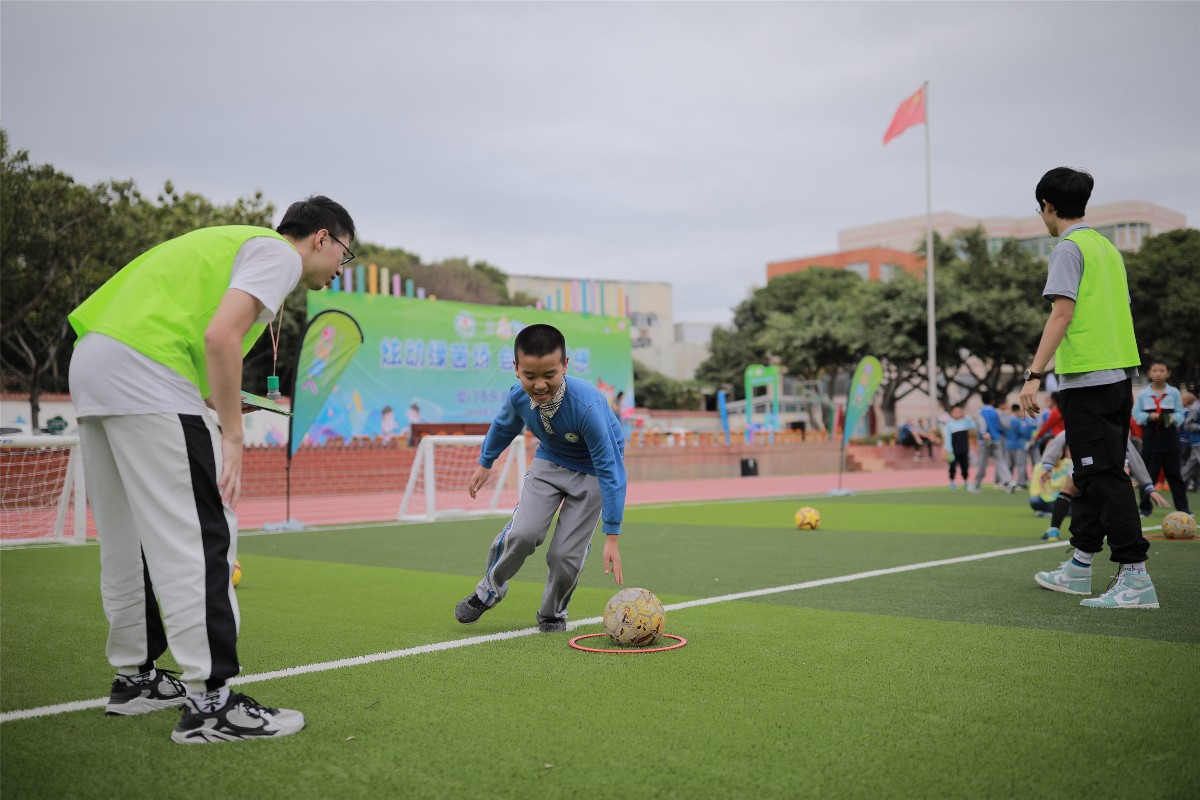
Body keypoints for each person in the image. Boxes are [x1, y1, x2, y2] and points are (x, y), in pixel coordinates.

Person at [68, 196, 357, 742]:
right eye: (345, 254)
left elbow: (199, 352)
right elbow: (221, 336)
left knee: (126, 541)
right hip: (146, 372)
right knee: (201, 535)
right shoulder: (278, 256)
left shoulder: (232, 245)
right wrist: (232, 435)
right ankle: (211, 705)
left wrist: (222, 400)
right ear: (321, 238)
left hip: (94, 365)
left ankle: (136, 680)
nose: (340, 270)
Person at [1019, 167, 1158, 609]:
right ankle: (1080, 565)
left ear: (1048, 206)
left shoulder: (1068, 248)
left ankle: (1135, 577)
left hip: (1090, 379)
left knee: (1101, 474)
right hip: (1118, 378)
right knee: (1090, 471)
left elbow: (1062, 314)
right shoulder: (1105, 248)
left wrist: (1034, 374)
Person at [455, 324, 627, 632]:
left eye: (549, 374)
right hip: (550, 462)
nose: (540, 385)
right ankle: (488, 591)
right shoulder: (518, 397)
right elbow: (504, 425)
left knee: (565, 555)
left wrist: (612, 535)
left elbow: (610, 469)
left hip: (592, 472)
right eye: (530, 376)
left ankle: (552, 613)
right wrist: (486, 462)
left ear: (565, 365)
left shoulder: (586, 406)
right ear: (516, 369)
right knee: (522, 533)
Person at [1133, 361, 1191, 516]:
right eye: (1155, 370)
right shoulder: (1144, 394)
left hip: (1171, 439)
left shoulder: (1174, 393)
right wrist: (1148, 416)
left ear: (1168, 373)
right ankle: (1145, 509)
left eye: (1161, 370)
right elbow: (1136, 415)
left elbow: (1180, 413)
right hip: (1151, 439)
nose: (1158, 373)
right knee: (1147, 475)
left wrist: (1173, 418)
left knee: (1175, 476)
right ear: (1150, 373)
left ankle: (1183, 509)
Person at [973, 391, 1015, 492]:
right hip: (996, 440)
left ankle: (977, 485)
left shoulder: (980, 412)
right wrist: (1008, 416)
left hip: (984, 441)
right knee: (1001, 462)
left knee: (982, 463)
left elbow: (981, 423)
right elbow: (1006, 425)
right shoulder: (997, 412)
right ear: (992, 401)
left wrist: (984, 433)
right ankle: (1009, 482)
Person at [941, 406, 976, 490]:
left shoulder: (965, 422)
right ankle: (952, 482)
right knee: (952, 467)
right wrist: (949, 450)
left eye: (960, 411)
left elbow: (973, 425)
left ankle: (965, 481)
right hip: (954, 450)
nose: (958, 413)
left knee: (965, 466)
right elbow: (948, 439)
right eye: (956, 411)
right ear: (952, 413)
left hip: (964, 448)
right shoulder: (949, 424)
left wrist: (966, 417)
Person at [1004, 403, 1033, 488]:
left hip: (1008, 444)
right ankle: (1021, 482)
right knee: (1020, 464)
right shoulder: (1017, 421)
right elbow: (1023, 433)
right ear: (1017, 410)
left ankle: (1008, 482)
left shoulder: (1005, 420)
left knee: (1009, 464)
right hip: (1018, 444)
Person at [1181, 391, 1200, 492]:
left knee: (1190, 465)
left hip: (1191, 442)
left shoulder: (1192, 408)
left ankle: (1180, 483)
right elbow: (1187, 425)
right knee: (1191, 465)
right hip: (1196, 441)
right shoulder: (1195, 408)